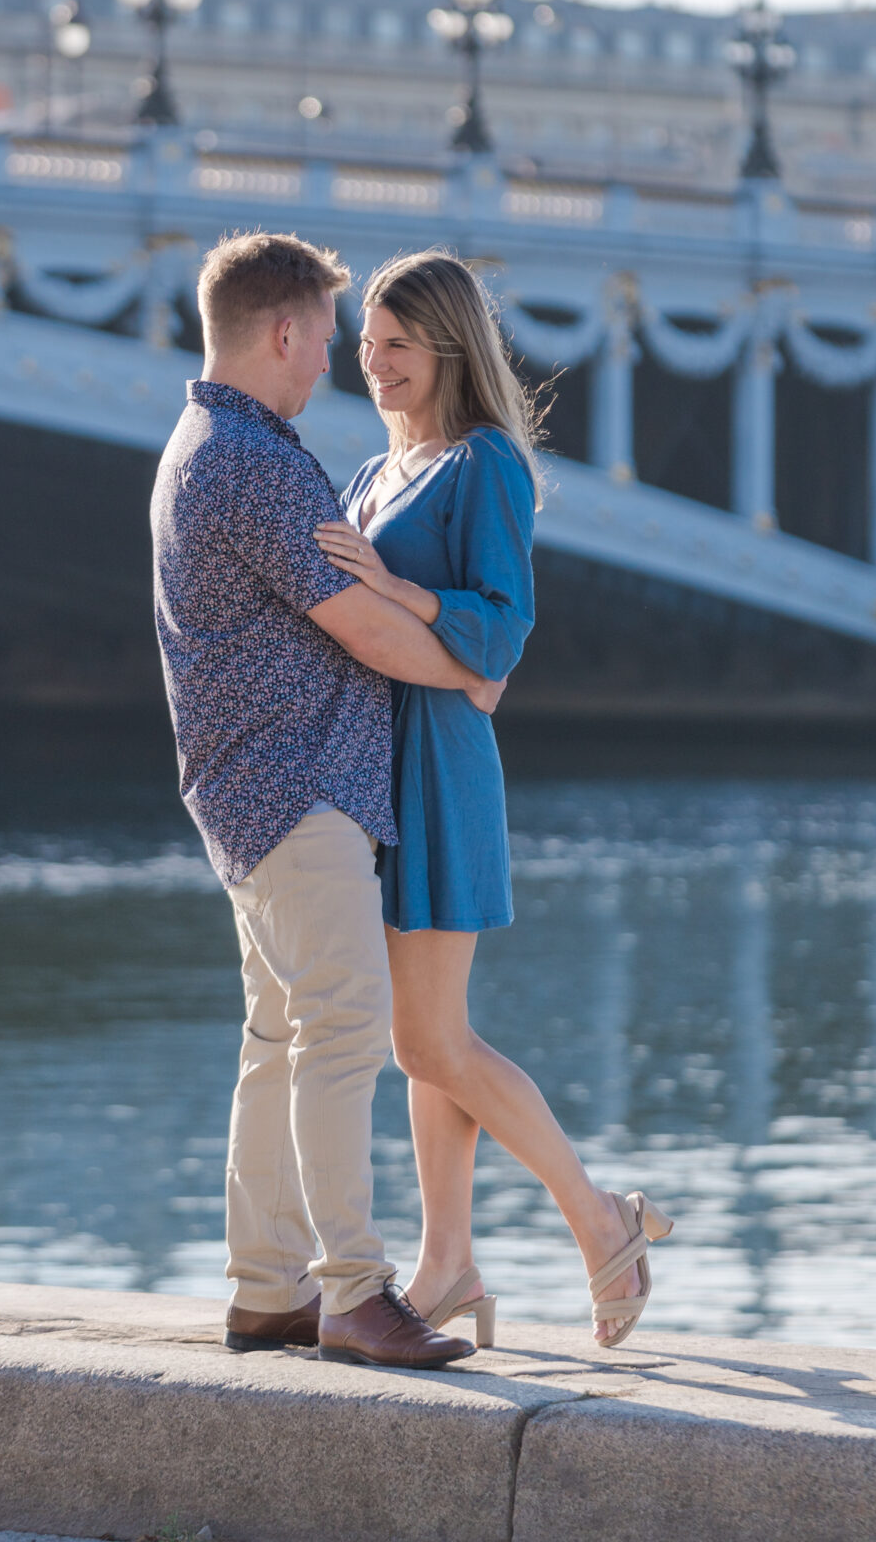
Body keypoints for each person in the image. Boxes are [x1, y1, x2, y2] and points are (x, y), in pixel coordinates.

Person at [151, 229, 501, 1371]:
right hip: (296, 787)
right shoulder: (251, 459)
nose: (335, 370)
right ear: (284, 332)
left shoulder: (206, 443)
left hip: (252, 790)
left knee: (278, 1035)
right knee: (344, 1031)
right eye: (326, 344)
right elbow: (357, 626)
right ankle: (354, 1290)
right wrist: (474, 670)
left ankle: (266, 1289)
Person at [314, 249, 673, 1352]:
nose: (374, 365)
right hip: (376, 762)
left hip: (441, 766)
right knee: (424, 1037)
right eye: (367, 345)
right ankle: (448, 1263)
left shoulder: (486, 466)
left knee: (429, 1041)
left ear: (451, 347)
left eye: (398, 347)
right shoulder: (373, 474)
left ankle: (596, 1217)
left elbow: (499, 636)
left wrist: (391, 587)